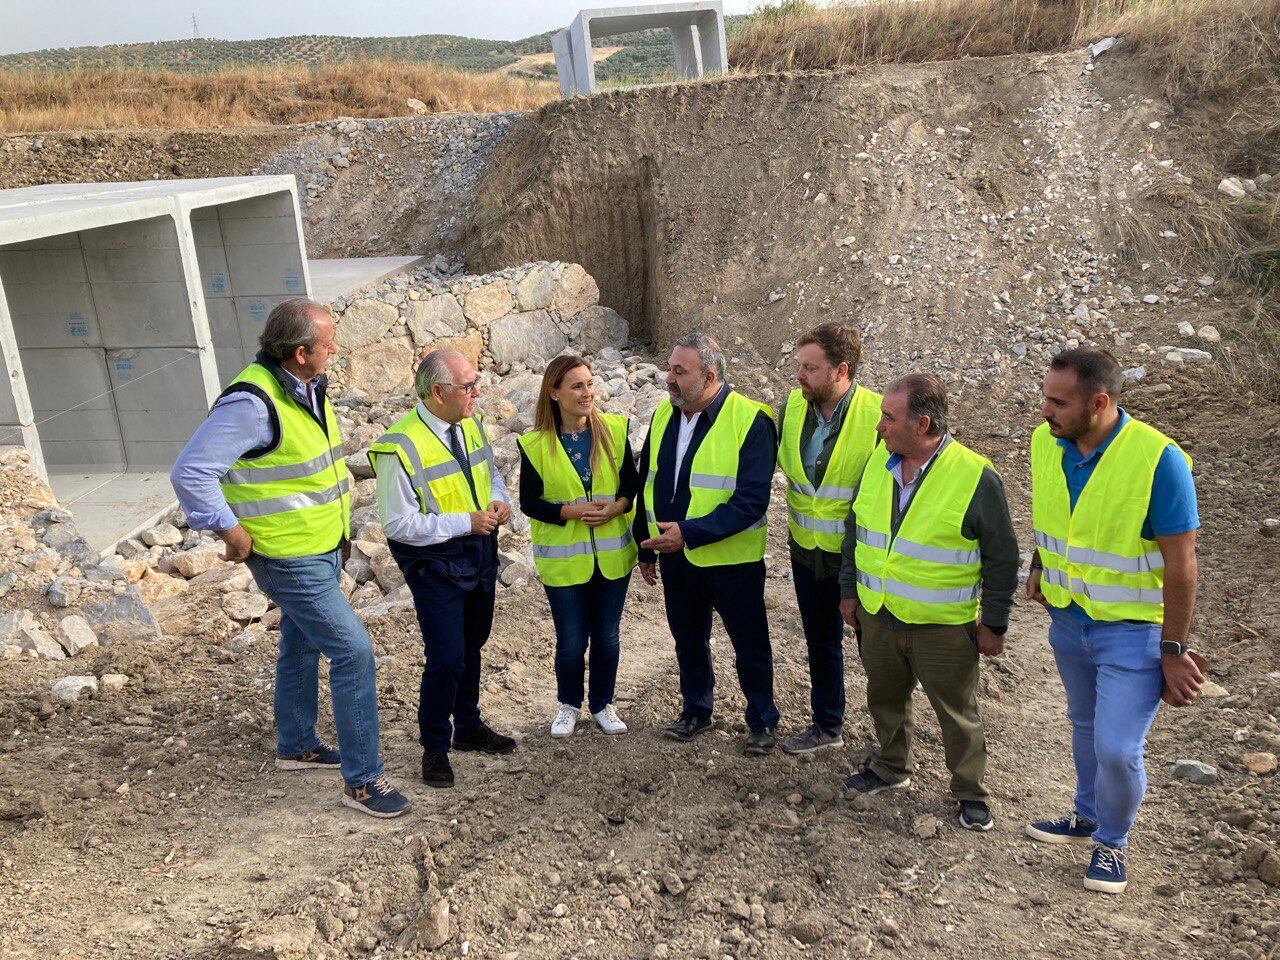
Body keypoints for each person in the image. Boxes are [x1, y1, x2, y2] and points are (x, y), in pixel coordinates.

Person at [170, 298, 409, 818]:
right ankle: (364, 781)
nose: (336, 349)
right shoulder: (252, 404)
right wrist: (229, 530)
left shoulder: (305, 387)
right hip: (287, 557)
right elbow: (191, 472)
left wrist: (340, 534)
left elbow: (311, 474)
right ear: (301, 352)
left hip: (321, 548)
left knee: (301, 645)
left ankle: (297, 744)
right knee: (353, 652)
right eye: (328, 343)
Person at [1024, 348, 1201, 895]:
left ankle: (1112, 843)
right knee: (1083, 725)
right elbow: (1053, 515)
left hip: (1134, 631)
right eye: (1046, 396)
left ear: (1098, 403)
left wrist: (1172, 652)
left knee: (1118, 747)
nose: (1045, 410)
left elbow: (1182, 563)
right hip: (1070, 621)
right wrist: (1038, 564)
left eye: (1059, 401)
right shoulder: (1045, 442)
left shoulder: (1157, 460)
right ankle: (1086, 815)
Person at [838, 373, 1017, 833]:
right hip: (879, 614)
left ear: (922, 424)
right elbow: (855, 530)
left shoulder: (976, 475)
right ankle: (890, 767)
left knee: (957, 712)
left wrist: (993, 623)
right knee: (884, 697)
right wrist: (848, 590)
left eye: (888, 417)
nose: (879, 426)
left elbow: (1002, 557)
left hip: (942, 625)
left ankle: (970, 792)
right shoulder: (880, 461)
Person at [369, 349, 517, 790]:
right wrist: (465, 521)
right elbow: (398, 525)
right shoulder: (400, 445)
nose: (477, 392)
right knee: (447, 656)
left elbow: (488, 474)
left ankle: (468, 725)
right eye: (468, 386)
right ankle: (435, 746)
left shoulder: (468, 423)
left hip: (476, 552)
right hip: (433, 563)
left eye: (476, 383)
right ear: (437, 392)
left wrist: (498, 500)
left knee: (473, 643)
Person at [634, 332, 780, 755]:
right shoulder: (665, 414)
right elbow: (650, 483)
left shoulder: (751, 420)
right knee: (688, 638)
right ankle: (696, 710)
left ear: (710, 375)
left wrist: (689, 534)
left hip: (732, 562)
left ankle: (762, 721)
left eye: (680, 371)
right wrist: (647, 546)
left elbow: (751, 501)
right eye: (669, 368)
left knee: (749, 643)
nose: (669, 378)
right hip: (676, 557)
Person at [517, 355, 640, 738]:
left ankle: (603, 705)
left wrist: (617, 507)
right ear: (554, 393)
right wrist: (572, 511)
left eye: (589, 384)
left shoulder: (615, 430)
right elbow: (529, 502)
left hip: (612, 557)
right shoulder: (535, 444)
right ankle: (568, 704)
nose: (587, 392)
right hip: (565, 564)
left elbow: (631, 485)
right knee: (571, 643)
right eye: (576, 386)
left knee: (607, 637)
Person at [775, 323, 882, 755]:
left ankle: (892, 744)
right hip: (806, 553)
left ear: (841, 370)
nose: (799, 376)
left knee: (876, 655)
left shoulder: (878, 416)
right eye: (799, 366)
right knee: (821, 643)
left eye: (809, 368)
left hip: (859, 560)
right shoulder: (792, 409)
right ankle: (826, 725)